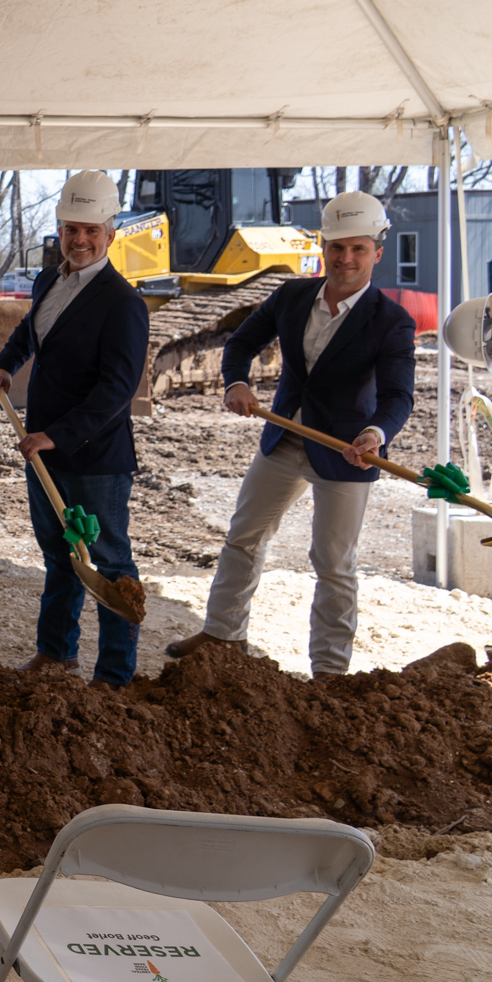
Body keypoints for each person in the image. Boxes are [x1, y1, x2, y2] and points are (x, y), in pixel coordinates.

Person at [167, 191, 414, 676]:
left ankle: (329, 671)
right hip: (284, 440)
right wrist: (236, 381)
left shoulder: (391, 322)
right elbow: (241, 341)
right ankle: (222, 635)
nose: (346, 258)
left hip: (347, 453)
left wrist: (375, 434)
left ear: (377, 252)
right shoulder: (292, 296)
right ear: (324, 247)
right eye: (337, 247)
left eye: (358, 249)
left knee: (334, 563)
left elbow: (398, 398)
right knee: (244, 537)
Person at [0, 170, 150, 685]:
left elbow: (116, 390)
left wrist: (57, 433)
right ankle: (56, 653)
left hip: (95, 460)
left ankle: (115, 674)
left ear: (110, 232)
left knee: (109, 565)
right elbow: (29, 331)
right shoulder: (48, 280)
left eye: (90, 231)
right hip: (46, 451)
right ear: (59, 229)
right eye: (70, 230)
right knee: (60, 558)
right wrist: (6, 364)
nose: (79, 240)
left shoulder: (123, 303)